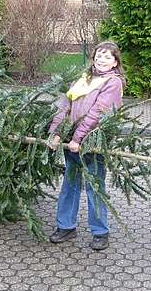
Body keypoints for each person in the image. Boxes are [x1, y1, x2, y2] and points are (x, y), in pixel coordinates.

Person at [47, 40, 126, 251]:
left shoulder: (113, 82)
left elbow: (98, 112)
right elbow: (66, 104)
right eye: (99, 55)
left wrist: (78, 138)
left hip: (93, 143)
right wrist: (56, 132)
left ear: (115, 62)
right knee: (70, 184)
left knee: (95, 185)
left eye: (108, 56)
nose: (102, 59)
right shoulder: (84, 79)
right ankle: (66, 227)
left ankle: (100, 232)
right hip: (71, 140)